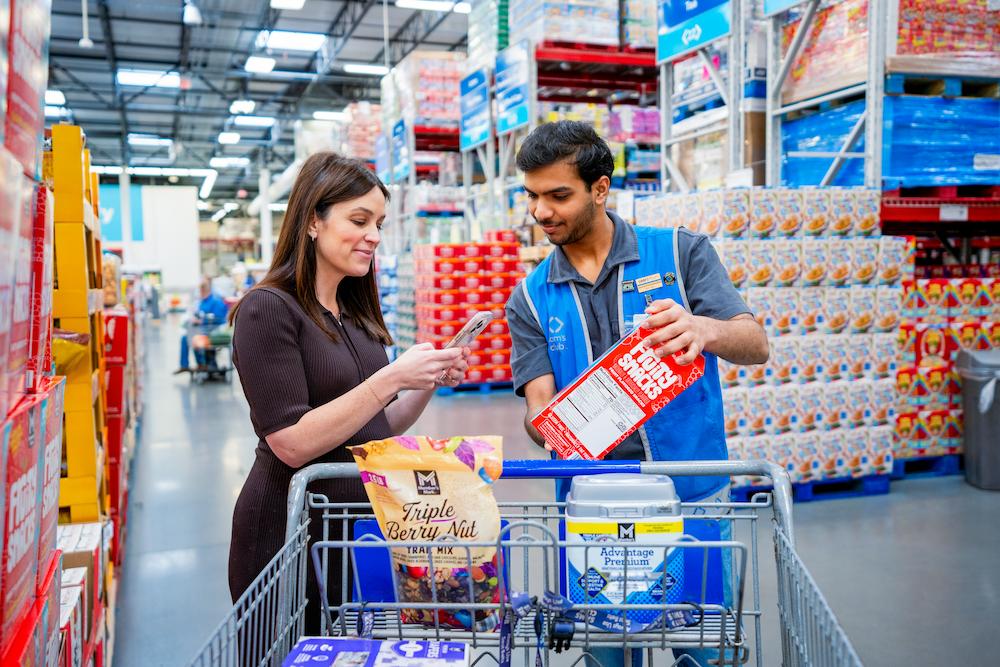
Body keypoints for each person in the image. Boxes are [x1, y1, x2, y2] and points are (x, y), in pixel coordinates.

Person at [505, 121, 770, 666]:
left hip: (692, 497)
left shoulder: (681, 253)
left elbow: (754, 343)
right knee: (609, 655)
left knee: (707, 651)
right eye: (532, 195)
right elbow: (537, 416)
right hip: (593, 510)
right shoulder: (529, 298)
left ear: (600, 188)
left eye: (559, 195)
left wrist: (704, 330)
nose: (541, 212)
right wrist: (557, 422)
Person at [226, 152, 469, 637]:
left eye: (378, 222)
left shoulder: (355, 315)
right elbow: (290, 443)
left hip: (354, 535)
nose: (374, 236)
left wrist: (426, 383)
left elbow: (379, 428)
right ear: (313, 220)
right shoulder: (267, 311)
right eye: (359, 220)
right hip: (288, 534)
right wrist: (392, 377)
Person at [174, 276, 229, 373]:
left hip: (212, 330)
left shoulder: (216, 302)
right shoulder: (203, 301)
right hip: (202, 329)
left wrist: (201, 321)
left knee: (192, 337)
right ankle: (186, 365)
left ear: (204, 290)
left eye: (201, 291)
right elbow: (200, 312)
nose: (200, 293)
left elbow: (220, 319)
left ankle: (202, 364)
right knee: (185, 337)